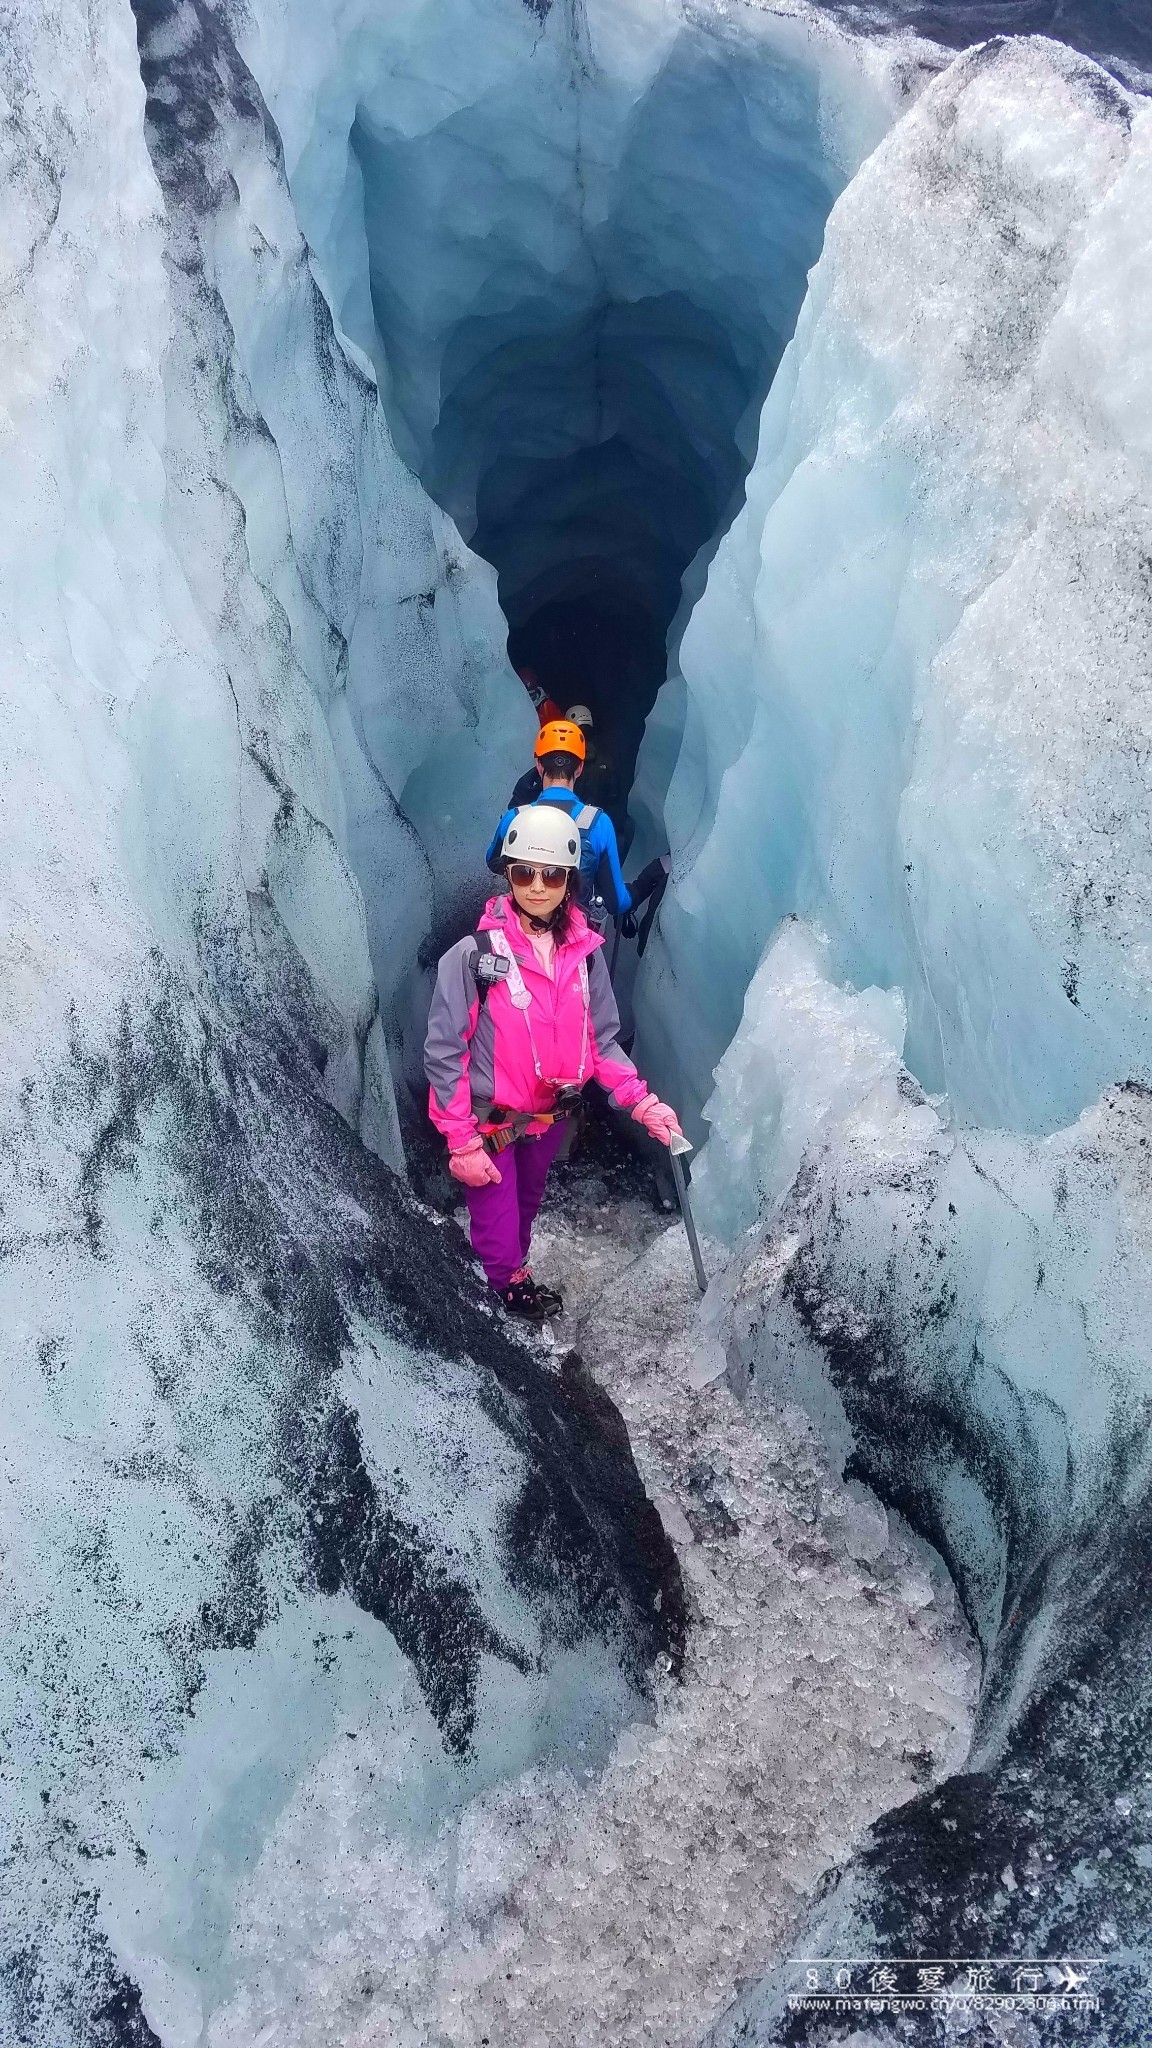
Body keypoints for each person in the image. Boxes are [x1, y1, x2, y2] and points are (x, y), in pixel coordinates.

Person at [425, 806, 682, 1319]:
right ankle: (503, 1298)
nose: (536, 886)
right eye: (524, 872)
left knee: (524, 1206)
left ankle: (511, 1274)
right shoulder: (473, 957)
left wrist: (641, 1101)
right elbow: (444, 1050)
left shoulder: (585, 957)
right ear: (508, 875)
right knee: (496, 1218)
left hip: (546, 1119)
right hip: (489, 1120)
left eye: (551, 875)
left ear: (569, 881)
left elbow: (602, 1042)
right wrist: (459, 1138)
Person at [488, 719, 632, 919]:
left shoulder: (515, 817)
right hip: (573, 936)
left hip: (522, 929)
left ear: (539, 766)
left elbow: (493, 862)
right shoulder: (599, 823)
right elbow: (617, 902)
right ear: (579, 768)